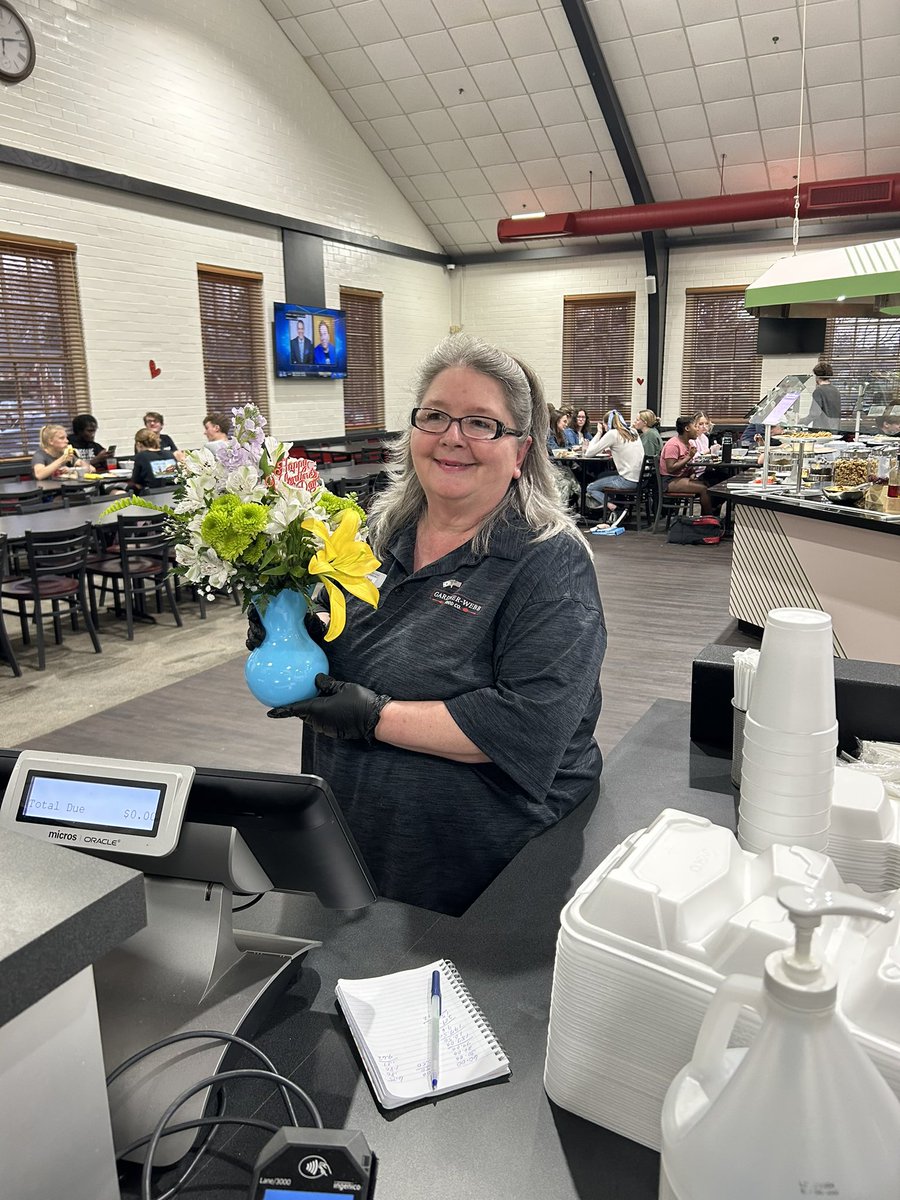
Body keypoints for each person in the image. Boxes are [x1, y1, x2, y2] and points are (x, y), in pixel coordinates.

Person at [255, 334, 607, 916]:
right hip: (354, 832)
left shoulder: (549, 562)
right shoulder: (376, 536)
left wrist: (372, 717)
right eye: (436, 416)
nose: (452, 437)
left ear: (520, 451)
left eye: (481, 424)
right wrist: (292, 632)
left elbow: (530, 726)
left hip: (479, 866)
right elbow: (346, 637)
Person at [584, 409, 644, 518]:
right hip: (640, 480)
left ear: (606, 424)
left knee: (591, 488)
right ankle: (617, 506)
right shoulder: (633, 432)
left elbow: (588, 453)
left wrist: (599, 433)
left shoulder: (613, 433)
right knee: (603, 476)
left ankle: (616, 508)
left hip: (627, 481)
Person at [660, 416, 713, 515]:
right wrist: (689, 457)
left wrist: (692, 472)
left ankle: (708, 518)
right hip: (669, 480)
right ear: (687, 429)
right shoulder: (673, 444)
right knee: (704, 489)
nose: (697, 429)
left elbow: (687, 465)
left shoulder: (688, 444)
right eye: (695, 426)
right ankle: (707, 521)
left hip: (681, 477)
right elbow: (671, 468)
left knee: (710, 484)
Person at [810, 362, 841, 433]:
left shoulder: (818, 391)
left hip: (821, 430)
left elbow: (815, 413)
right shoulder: (835, 390)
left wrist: (803, 421)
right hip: (834, 429)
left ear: (817, 376)